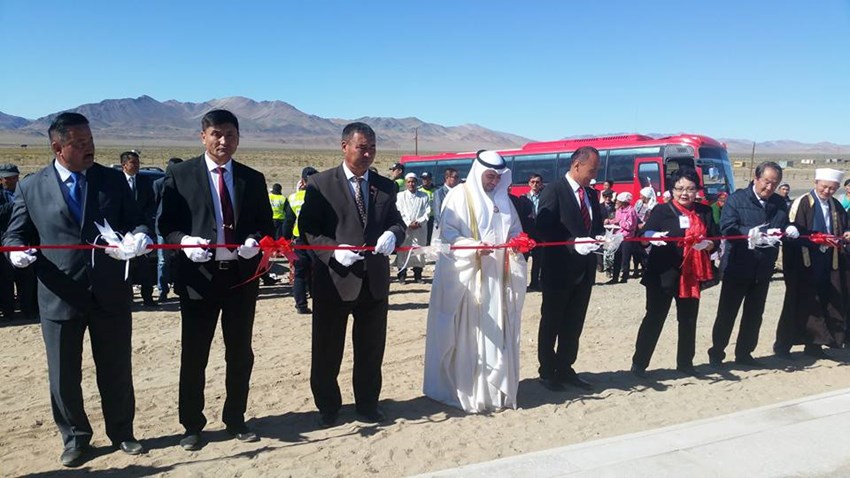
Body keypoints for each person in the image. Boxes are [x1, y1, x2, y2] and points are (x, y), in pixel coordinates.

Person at [3, 112, 152, 466]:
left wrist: (140, 236)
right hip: (59, 295)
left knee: (116, 368)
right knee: (63, 375)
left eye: (91, 140)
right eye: (80, 143)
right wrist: (16, 253)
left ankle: (122, 432)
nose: (90, 148)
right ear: (58, 148)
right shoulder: (31, 187)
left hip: (109, 293)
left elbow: (139, 220)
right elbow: (15, 234)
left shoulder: (112, 180)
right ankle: (74, 437)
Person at [158, 109, 274, 450]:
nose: (224, 141)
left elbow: (266, 225)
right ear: (203, 136)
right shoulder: (180, 174)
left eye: (231, 135)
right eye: (217, 134)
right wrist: (184, 242)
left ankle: (235, 418)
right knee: (195, 355)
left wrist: (255, 241)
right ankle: (192, 425)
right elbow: (166, 225)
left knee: (240, 354)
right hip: (199, 280)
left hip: (240, 280)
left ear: (238, 138)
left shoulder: (252, 178)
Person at [298, 122, 406, 427]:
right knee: (327, 349)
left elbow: (397, 222)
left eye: (372, 148)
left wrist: (393, 234)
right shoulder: (320, 183)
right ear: (344, 146)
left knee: (371, 350)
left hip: (374, 282)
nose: (368, 153)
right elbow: (308, 229)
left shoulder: (385, 186)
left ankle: (368, 404)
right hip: (334, 280)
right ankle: (328, 406)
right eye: (362, 147)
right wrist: (333, 252)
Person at [423, 150, 526, 412]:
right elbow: (448, 235)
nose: (494, 182)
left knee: (497, 335)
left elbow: (515, 230)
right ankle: (468, 392)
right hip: (469, 281)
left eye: (498, 177)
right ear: (479, 172)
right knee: (470, 336)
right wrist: (473, 247)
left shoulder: (504, 200)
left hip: (498, 279)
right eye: (490, 176)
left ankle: (493, 393)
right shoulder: (459, 195)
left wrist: (518, 242)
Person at [631, 167, 718, 378]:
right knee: (654, 318)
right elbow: (642, 236)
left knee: (688, 319)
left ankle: (686, 363)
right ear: (673, 189)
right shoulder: (662, 211)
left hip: (691, 275)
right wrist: (651, 236)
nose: (684, 193)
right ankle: (639, 363)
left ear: (697, 189)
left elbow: (715, 238)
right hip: (663, 274)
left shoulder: (704, 211)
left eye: (690, 188)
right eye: (679, 188)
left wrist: (707, 245)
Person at [707, 162, 791, 368]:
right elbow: (727, 227)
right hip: (738, 265)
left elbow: (783, 225)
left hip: (763, 268)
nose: (769, 187)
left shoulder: (779, 203)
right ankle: (717, 353)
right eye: (766, 182)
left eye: (774, 183)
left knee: (754, 314)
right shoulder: (737, 199)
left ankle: (744, 353)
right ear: (756, 178)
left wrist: (790, 229)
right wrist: (751, 233)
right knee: (727, 313)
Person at [536, 146, 604, 392]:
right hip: (559, 270)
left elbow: (595, 226)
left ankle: (565, 368)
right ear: (577, 166)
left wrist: (603, 238)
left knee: (574, 324)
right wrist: (572, 243)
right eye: (591, 170)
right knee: (552, 322)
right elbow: (543, 229)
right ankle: (547, 371)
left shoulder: (591, 194)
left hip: (584, 271)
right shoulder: (554, 190)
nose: (594, 176)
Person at [774, 168, 850, 359]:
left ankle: (814, 345)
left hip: (828, 261)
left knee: (823, 300)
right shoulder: (801, 203)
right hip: (804, 262)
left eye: (832, 189)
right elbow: (790, 231)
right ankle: (783, 346)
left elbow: (844, 226)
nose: (827, 191)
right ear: (816, 183)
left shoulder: (835, 205)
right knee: (796, 301)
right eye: (824, 187)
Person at [0, 163, 37, 321]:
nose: (11, 181)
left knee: (26, 278)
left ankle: (28, 309)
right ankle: (8, 311)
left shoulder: (23, 191)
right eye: (8, 178)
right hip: (3, 243)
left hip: (24, 240)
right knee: (5, 279)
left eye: (14, 177)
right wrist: (17, 204)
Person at [120, 150, 158, 306]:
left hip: (140, 228)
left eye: (138, 163)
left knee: (144, 263)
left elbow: (151, 204)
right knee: (124, 263)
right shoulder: (116, 181)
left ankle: (147, 296)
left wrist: (147, 225)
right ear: (124, 165)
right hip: (121, 230)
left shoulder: (145, 182)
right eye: (133, 163)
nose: (136, 166)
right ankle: (126, 297)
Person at [281, 166, 319, 314]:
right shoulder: (322, 197)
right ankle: (319, 302)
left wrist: (284, 239)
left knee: (299, 274)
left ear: (302, 181)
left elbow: (288, 222)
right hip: (318, 241)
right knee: (317, 273)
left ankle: (301, 305)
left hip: (299, 241)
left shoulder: (293, 198)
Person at [152, 157, 183, 302]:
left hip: (182, 230)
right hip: (163, 229)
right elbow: (155, 205)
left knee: (180, 260)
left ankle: (180, 288)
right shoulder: (159, 184)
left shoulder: (186, 184)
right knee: (163, 261)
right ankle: (162, 290)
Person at [395, 172, 430, 284]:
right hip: (406, 228)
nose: (411, 184)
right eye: (409, 182)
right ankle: (402, 275)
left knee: (419, 251)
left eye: (413, 182)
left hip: (420, 229)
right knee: (403, 251)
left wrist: (419, 222)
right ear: (406, 183)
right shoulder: (400, 196)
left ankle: (418, 275)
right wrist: (408, 223)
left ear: (416, 182)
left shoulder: (424, 196)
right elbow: (399, 211)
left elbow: (427, 212)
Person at [606, 192, 639, 284]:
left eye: (618, 201)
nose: (616, 202)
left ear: (623, 202)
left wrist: (620, 222)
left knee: (625, 258)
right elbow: (616, 220)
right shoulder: (619, 210)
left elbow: (630, 226)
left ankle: (624, 277)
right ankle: (615, 278)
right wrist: (609, 221)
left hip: (627, 238)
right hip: (617, 236)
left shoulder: (631, 211)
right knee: (617, 257)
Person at [526, 174, 544, 290]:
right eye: (532, 182)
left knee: (538, 260)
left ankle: (535, 283)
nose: (535, 184)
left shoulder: (545, 198)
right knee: (523, 260)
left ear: (541, 184)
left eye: (537, 182)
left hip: (540, 233)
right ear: (529, 183)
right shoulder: (524, 198)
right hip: (527, 234)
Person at [432, 167, 460, 240]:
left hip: (457, 228)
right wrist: (446, 227)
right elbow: (437, 213)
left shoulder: (459, 192)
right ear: (447, 178)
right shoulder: (439, 193)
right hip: (442, 229)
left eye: (458, 177)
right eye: (455, 177)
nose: (457, 180)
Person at [418, 172, 437, 245]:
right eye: (423, 179)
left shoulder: (436, 190)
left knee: (431, 238)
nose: (425, 181)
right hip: (422, 218)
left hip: (432, 218)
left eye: (427, 179)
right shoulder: (419, 190)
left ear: (431, 180)